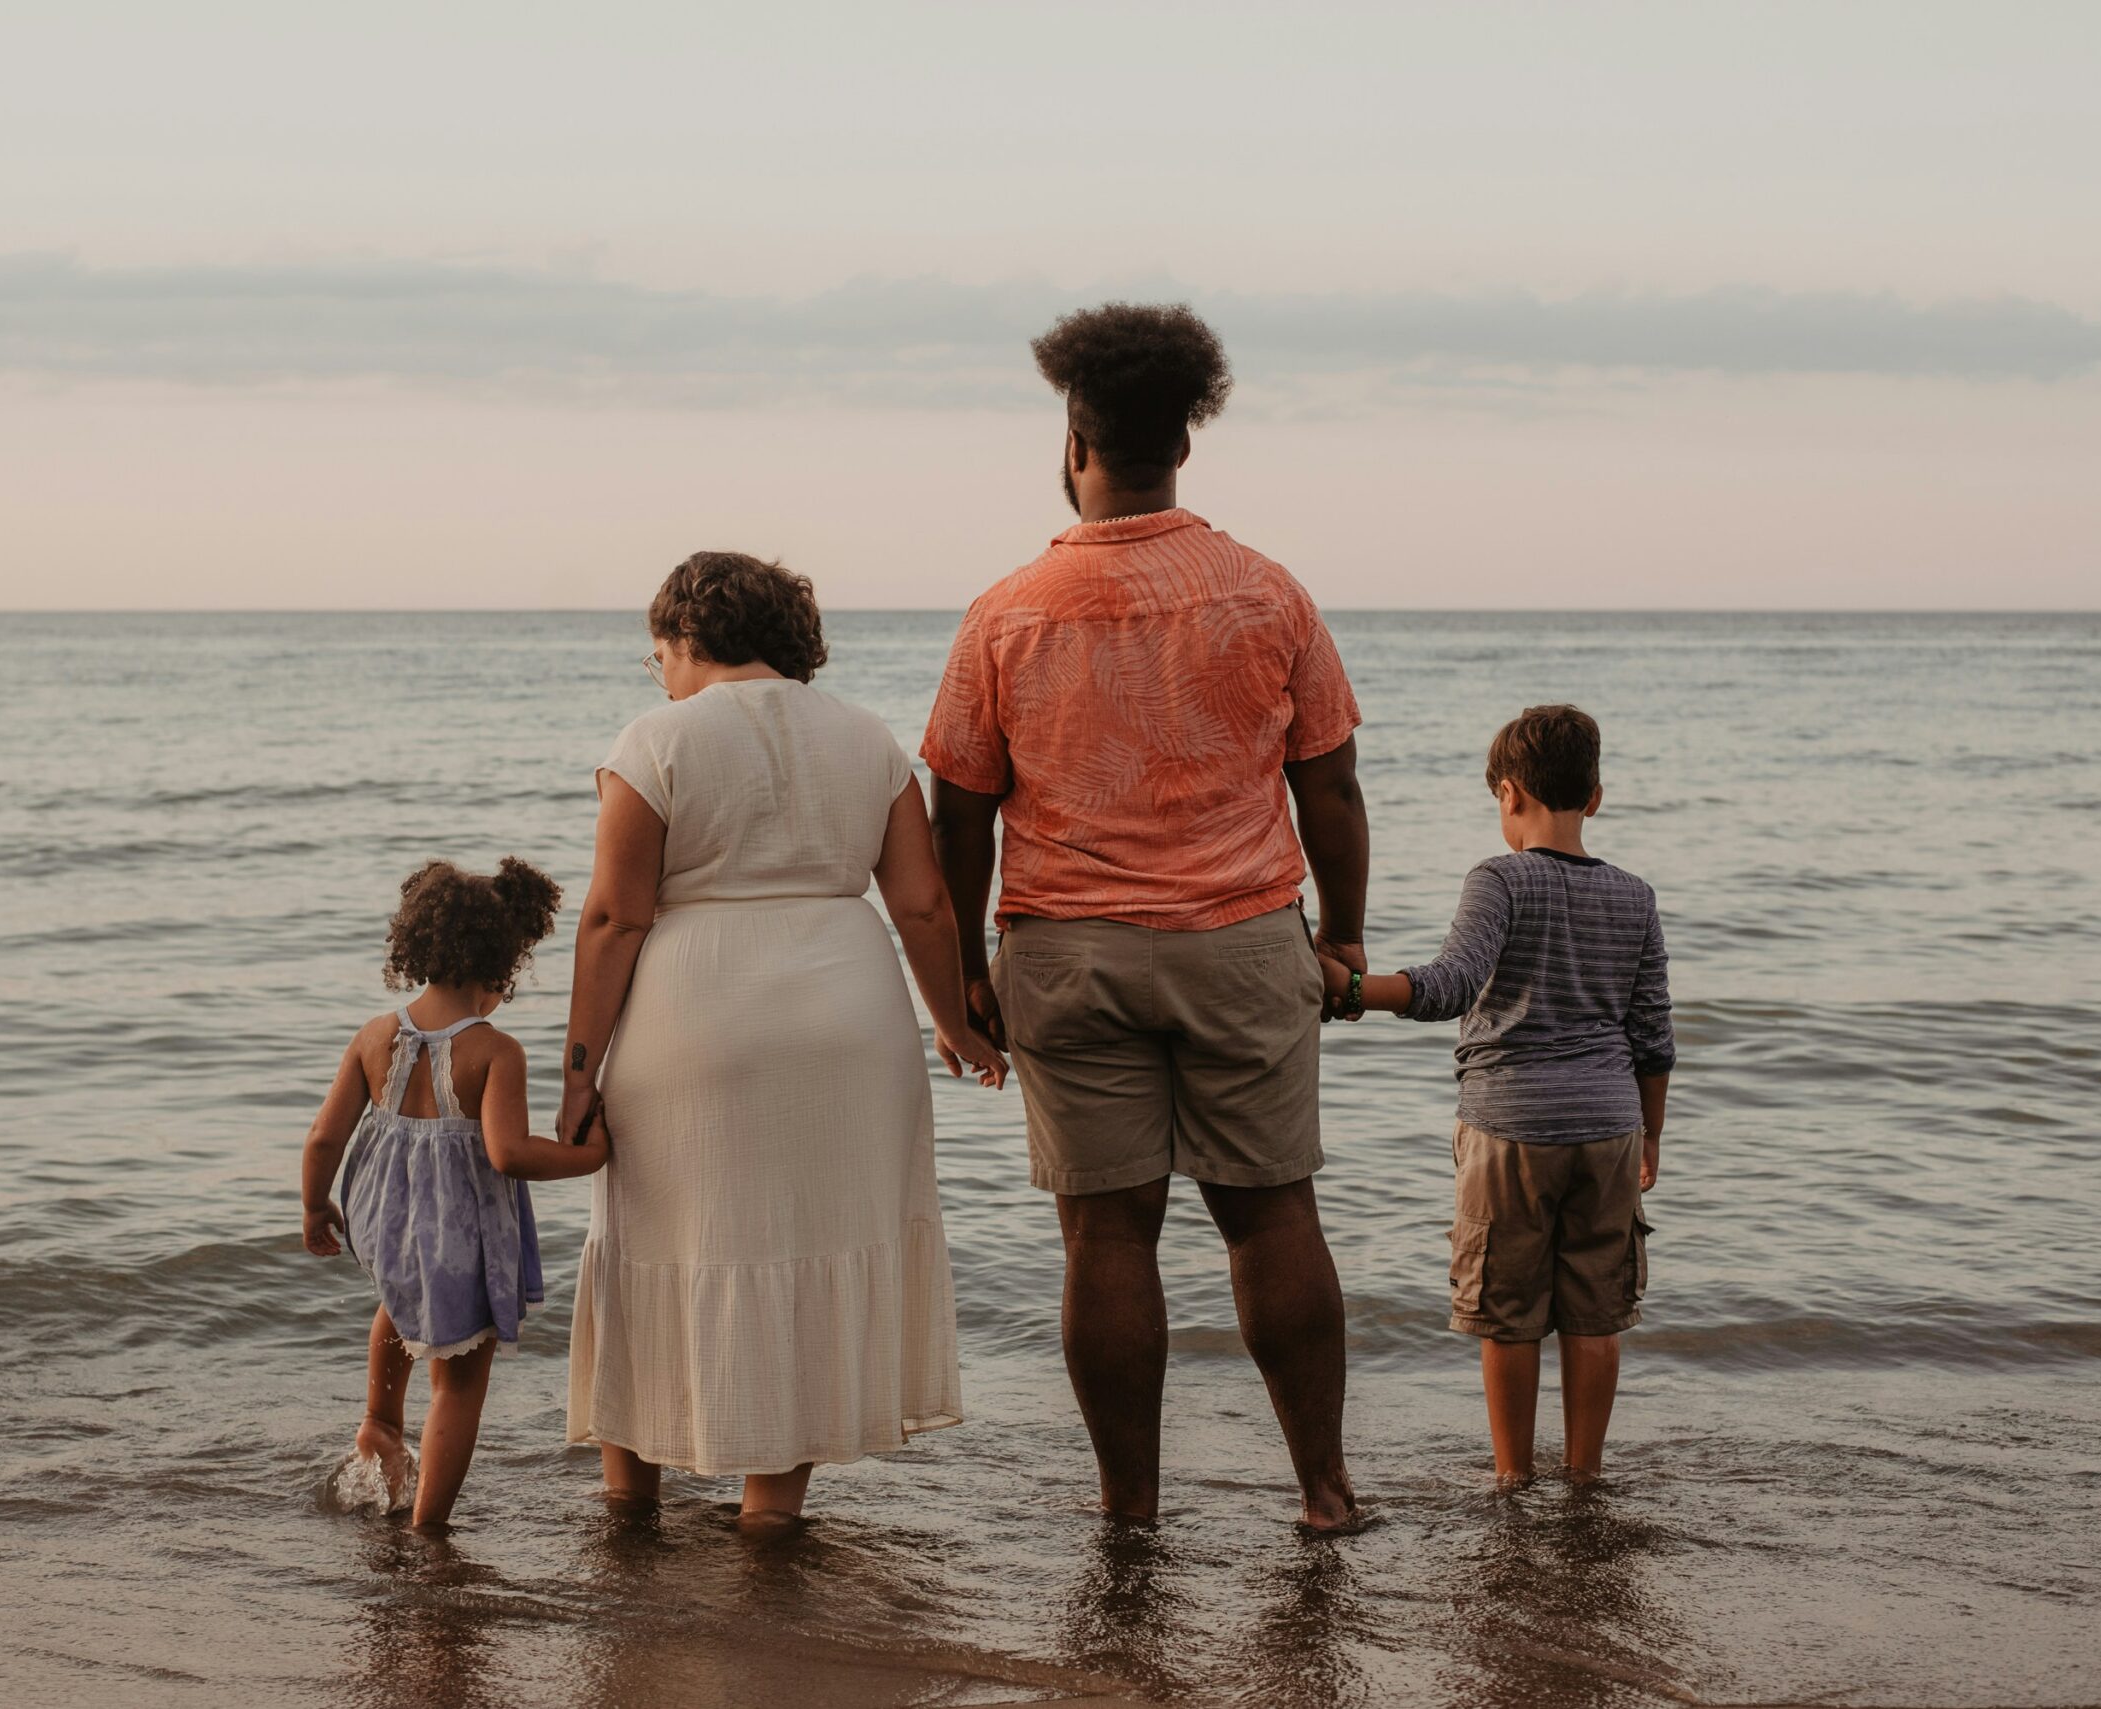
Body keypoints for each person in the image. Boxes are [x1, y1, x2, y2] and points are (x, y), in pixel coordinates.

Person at [924, 301, 1371, 1532]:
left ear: (1074, 445)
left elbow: (956, 814)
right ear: (1184, 442)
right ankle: (1324, 1490)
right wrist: (1341, 935)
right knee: (1273, 1213)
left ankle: (1130, 1509)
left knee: (1105, 1236)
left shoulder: (1005, 612)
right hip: (1239, 939)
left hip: (1066, 953)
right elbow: (1327, 781)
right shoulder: (1266, 593)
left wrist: (961, 970)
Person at [558, 552, 1008, 1533]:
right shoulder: (865, 737)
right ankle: (770, 1518)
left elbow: (610, 920)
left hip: (696, 1018)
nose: (660, 671)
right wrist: (955, 1023)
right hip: (848, 1024)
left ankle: (628, 1506)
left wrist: (576, 1072)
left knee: (652, 1239)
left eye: (658, 653)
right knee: (808, 1248)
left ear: (685, 637)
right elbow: (925, 907)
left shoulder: (655, 739)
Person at [1325, 704, 1673, 1483]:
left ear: (1509, 794)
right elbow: (1653, 1035)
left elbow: (1449, 986)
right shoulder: (1636, 896)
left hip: (1510, 1126)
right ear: (1596, 796)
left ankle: (1513, 1478)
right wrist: (1650, 1134)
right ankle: (1585, 1476)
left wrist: (1351, 988)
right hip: (1609, 1127)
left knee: (1509, 1315)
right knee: (1595, 1312)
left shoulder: (1499, 877)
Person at [299, 858, 609, 1528]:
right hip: (456, 1230)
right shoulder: (494, 1052)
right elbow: (507, 1152)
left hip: (380, 1219)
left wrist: (314, 1204)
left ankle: (380, 1421)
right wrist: (588, 1156)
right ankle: (428, 1526)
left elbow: (324, 1137)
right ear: (501, 966)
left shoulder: (375, 1035)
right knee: (460, 1382)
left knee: (400, 1301)